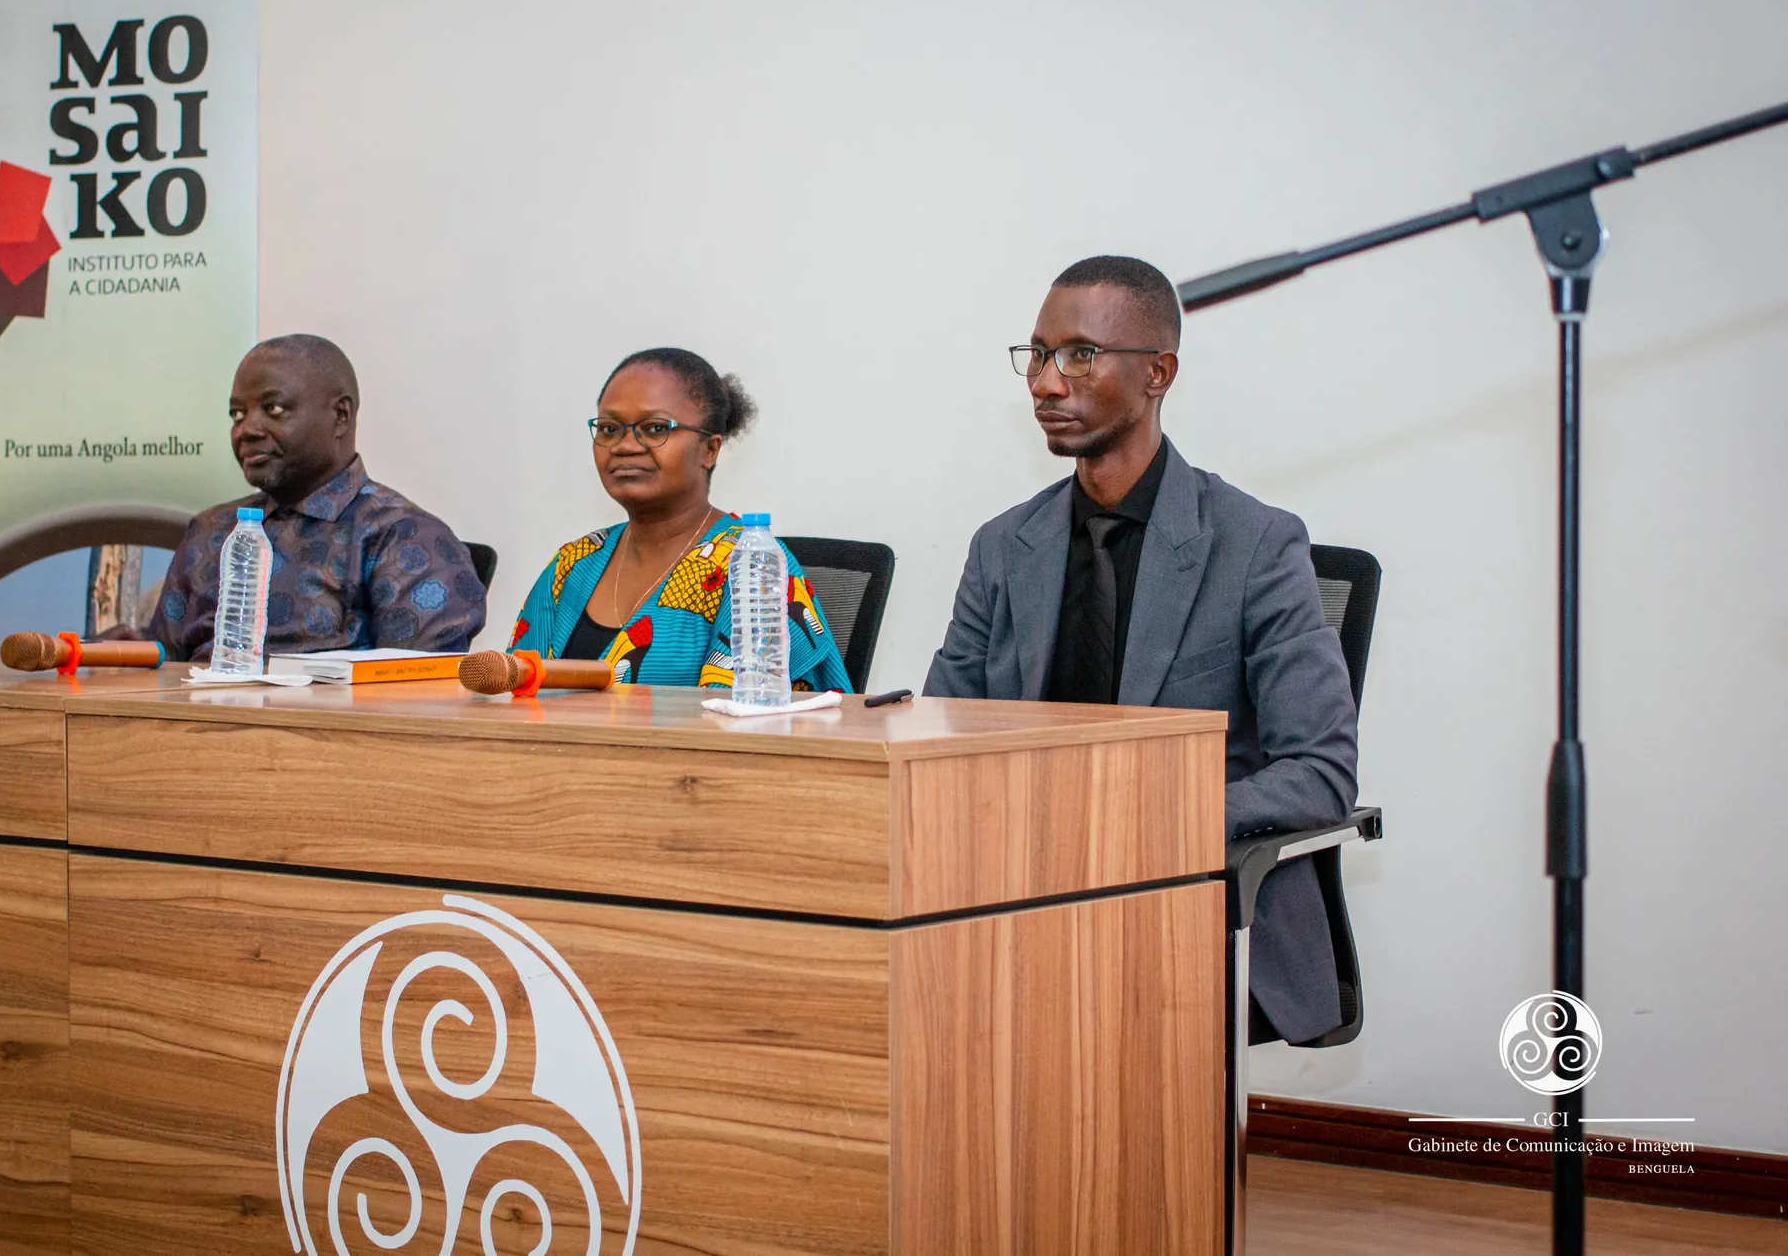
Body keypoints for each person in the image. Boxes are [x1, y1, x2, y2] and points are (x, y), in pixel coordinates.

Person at [924, 256, 1359, 1043]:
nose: (1045, 383)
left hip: (1185, 896)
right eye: (1038, 355)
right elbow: (942, 736)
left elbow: (1321, 770)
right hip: (1020, 890)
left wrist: (1140, 821)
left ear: (1157, 373)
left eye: (1079, 356)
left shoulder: (1256, 544)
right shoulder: (1003, 548)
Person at [509, 347, 852, 692]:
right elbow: (513, 688)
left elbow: (749, 712)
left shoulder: (749, 564)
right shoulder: (575, 562)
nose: (625, 446)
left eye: (655, 428)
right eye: (610, 429)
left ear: (710, 450)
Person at [141, 334, 486, 662]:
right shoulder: (209, 531)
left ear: (340, 416)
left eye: (273, 408)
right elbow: (160, 671)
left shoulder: (407, 540)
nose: (246, 430)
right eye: (238, 414)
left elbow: (410, 693)